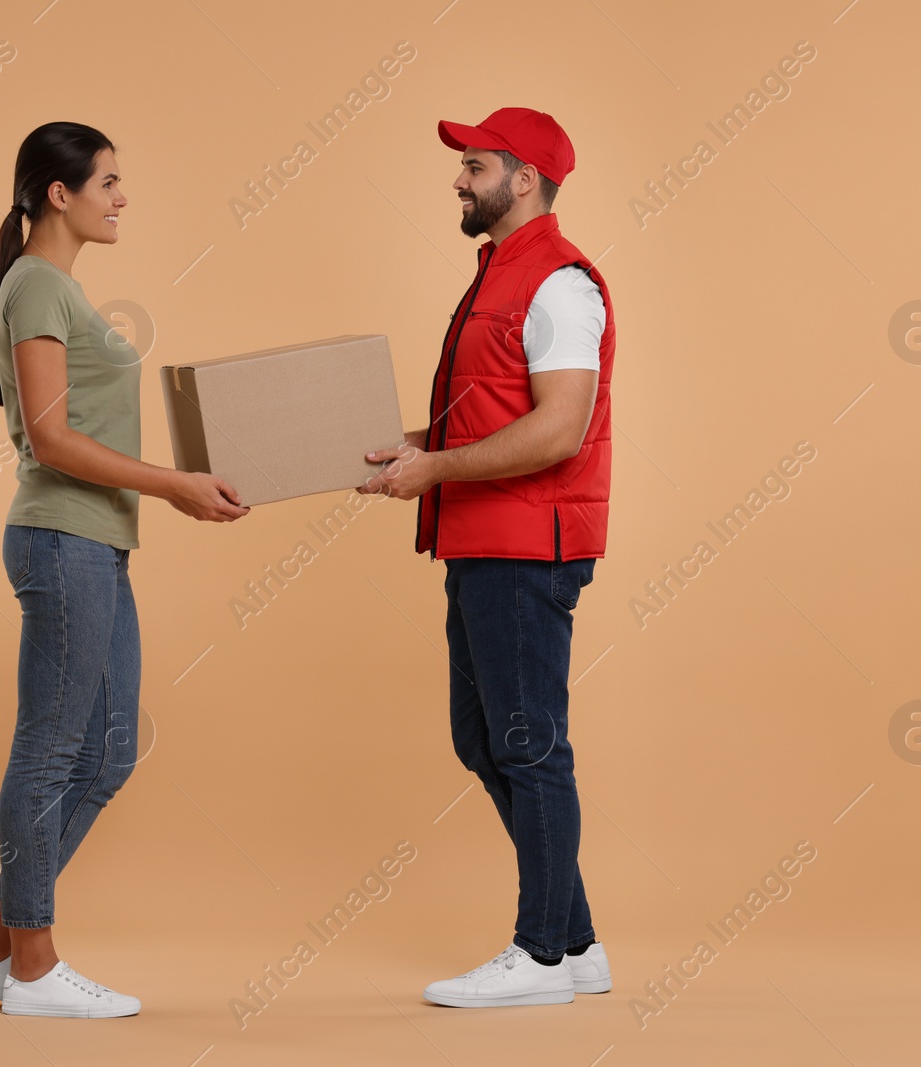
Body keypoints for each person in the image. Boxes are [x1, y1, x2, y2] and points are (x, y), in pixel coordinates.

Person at [0, 121, 249, 1019]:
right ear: (59, 193)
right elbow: (50, 438)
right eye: (109, 182)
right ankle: (34, 970)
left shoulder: (54, 287)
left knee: (108, 750)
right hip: (62, 539)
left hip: (95, 543)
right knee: (49, 751)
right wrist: (171, 486)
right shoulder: (38, 285)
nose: (122, 198)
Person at [359, 107, 617, 1008]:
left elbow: (559, 426)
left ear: (525, 179)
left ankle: (541, 954)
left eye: (474, 165)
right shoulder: (498, 277)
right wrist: (413, 448)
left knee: (527, 744)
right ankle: (577, 940)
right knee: (485, 739)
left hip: (525, 547)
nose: (459, 180)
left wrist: (437, 466)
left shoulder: (557, 283)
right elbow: (491, 418)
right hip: (482, 541)